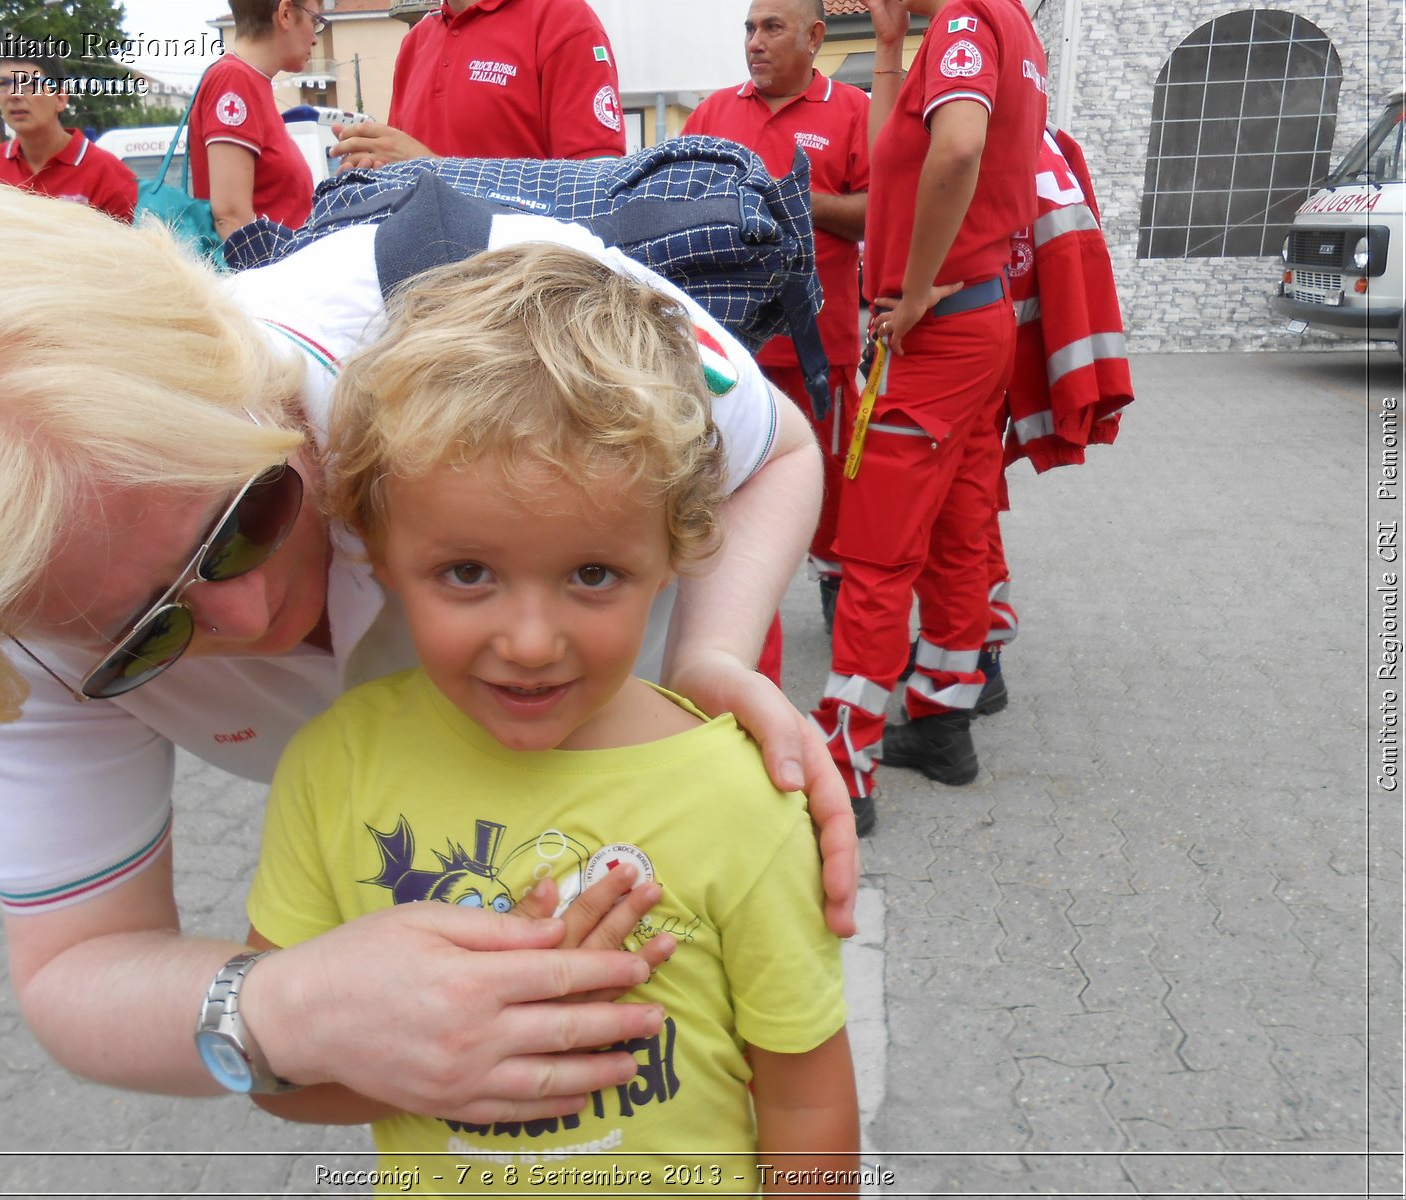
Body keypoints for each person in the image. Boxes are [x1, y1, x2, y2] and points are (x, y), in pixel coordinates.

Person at [0, 179, 857, 1121]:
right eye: (140, 636)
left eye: (245, 517)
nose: (254, 618)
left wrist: (708, 660)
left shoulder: (507, 328)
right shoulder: (13, 618)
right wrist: (283, 1004)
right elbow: (72, 967)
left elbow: (774, 449)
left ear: (238, 367)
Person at [245, 242, 859, 1185]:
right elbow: (280, 1081)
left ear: (677, 550)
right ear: (374, 545)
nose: (531, 641)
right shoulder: (333, 770)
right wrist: (458, 1046)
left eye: (592, 574)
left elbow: (806, 1097)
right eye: (467, 572)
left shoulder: (741, 794)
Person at [808, 0, 1047, 816]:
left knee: (875, 557)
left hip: (931, 332)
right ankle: (943, 724)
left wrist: (909, 294)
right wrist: (883, 47)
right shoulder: (1008, 24)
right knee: (957, 530)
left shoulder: (964, 24)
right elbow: (894, 163)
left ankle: (844, 767)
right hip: (978, 323)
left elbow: (958, 151)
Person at [683, 0, 870, 641]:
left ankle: (836, 583)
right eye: (750, 29)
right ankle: (716, 604)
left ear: (816, 37)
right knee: (715, 479)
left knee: (829, 484)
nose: (755, 43)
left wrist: (788, 198)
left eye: (773, 28)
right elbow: (671, 198)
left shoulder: (855, 112)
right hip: (723, 348)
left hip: (820, 345)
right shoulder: (712, 114)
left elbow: (878, 212)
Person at [333, 0, 625, 167]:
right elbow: (406, 177)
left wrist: (432, 168)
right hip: (421, 271)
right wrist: (370, 169)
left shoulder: (565, 21)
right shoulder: (415, 42)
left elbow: (594, 196)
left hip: (517, 273)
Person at [191, 0, 320, 238]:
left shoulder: (250, 81)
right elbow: (230, 217)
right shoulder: (234, 80)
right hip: (265, 273)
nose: (315, 38)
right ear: (286, 14)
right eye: (315, 21)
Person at [0, 55, 137, 222]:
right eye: (2, 84)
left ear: (60, 99)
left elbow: (130, 248)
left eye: (28, 83)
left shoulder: (108, 175)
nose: (13, 94)